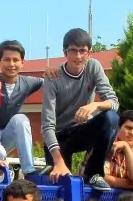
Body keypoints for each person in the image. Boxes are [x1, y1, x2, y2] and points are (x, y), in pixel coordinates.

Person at [40, 28, 120, 191]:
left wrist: (95, 105)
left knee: (111, 117)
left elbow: (114, 102)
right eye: (73, 51)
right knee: (62, 187)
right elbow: (47, 126)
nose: (78, 57)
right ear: (65, 52)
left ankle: (93, 174)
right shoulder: (53, 77)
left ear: (89, 53)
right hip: (59, 137)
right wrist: (58, 161)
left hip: (80, 130)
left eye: (83, 51)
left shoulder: (93, 67)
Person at [0, 40, 44, 176]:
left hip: (8, 134)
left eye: (16, 60)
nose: (11, 64)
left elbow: (51, 82)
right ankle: (1, 176)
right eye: (7, 60)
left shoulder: (28, 82)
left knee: (21, 119)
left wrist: (53, 71)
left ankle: (29, 171)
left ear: (22, 62)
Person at [103, 110, 133, 192]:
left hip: (123, 199)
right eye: (129, 128)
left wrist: (125, 146)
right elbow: (102, 178)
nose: (132, 133)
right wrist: (132, 185)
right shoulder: (105, 145)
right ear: (118, 128)